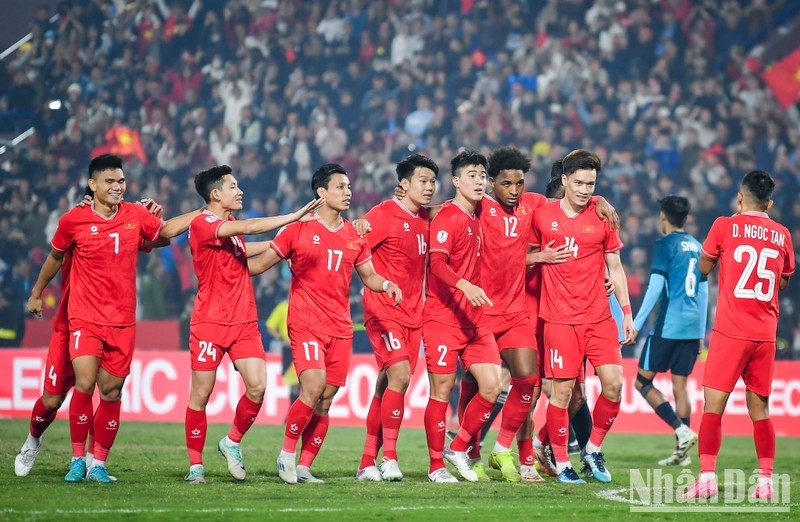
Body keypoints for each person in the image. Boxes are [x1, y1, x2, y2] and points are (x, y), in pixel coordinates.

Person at [26, 154, 198, 483]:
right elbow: (54, 257)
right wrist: (37, 292)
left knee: (112, 392)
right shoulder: (73, 220)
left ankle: (98, 463)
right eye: (110, 181)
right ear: (92, 185)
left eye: (121, 181)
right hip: (84, 316)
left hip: (122, 320)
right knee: (84, 383)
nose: (117, 187)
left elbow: (162, 235)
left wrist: (201, 212)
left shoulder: (135, 213)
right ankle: (77, 458)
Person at [248, 163, 401, 484]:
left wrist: (386, 284)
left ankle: (304, 465)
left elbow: (369, 276)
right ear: (321, 192)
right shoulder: (297, 228)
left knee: (326, 398)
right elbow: (261, 263)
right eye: (340, 187)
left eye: (348, 187)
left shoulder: (353, 234)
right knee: (313, 386)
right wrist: (222, 266)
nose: (348, 192)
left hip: (341, 327)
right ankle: (286, 456)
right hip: (305, 322)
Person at [183, 165, 322, 484]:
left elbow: (252, 252)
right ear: (216, 194)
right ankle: (196, 466)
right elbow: (253, 227)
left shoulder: (228, 225)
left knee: (258, 387)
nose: (240, 190)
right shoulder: (204, 224)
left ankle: (231, 442)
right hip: (209, 322)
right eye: (233, 186)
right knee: (201, 394)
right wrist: (291, 218)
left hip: (244, 321)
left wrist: (284, 247)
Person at [683, 170, 794, 500]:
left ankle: (706, 479)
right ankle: (765, 482)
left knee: (713, 407)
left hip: (731, 330)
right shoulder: (783, 234)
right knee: (760, 409)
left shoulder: (724, 225)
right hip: (765, 333)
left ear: (739, 197)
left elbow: (704, 267)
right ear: (769, 203)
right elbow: (783, 281)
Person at [531, 150, 634, 484]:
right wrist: (541, 256)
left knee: (614, 386)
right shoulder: (542, 215)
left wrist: (627, 313)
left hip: (599, 318)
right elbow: (519, 256)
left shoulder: (603, 216)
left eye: (591, 183)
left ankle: (592, 448)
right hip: (559, 320)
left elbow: (615, 268)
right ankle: (562, 463)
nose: (585, 189)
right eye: (579, 182)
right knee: (562, 396)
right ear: (564, 181)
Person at [422, 149, 502, 483]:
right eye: (472, 175)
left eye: (483, 176)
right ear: (456, 181)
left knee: (493, 386)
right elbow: (437, 264)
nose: (480, 181)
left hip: (475, 319)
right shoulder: (447, 218)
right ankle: (435, 465)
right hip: (443, 318)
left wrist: (598, 199)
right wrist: (464, 284)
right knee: (442, 390)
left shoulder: (481, 213)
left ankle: (458, 447)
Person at [356, 153, 437, 482]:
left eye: (433, 181)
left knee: (387, 384)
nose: (430, 187)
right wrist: (358, 225)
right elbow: (354, 248)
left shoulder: (425, 219)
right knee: (400, 377)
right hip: (383, 310)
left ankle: (365, 462)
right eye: (423, 181)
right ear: (403, 185)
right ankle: (389, 457)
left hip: (414, 315)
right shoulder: (382, 215)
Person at [632, 195, 706, 467]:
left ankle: (681, 430)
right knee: (680, 386)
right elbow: (703, 292)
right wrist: (700, 332)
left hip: (669, 325)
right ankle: (682, 453)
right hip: (691, 327)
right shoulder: (698, 247)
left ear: (663, 216)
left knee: (641, 382)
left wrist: (636, 325)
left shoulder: (664, 245)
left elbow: (654, 288)